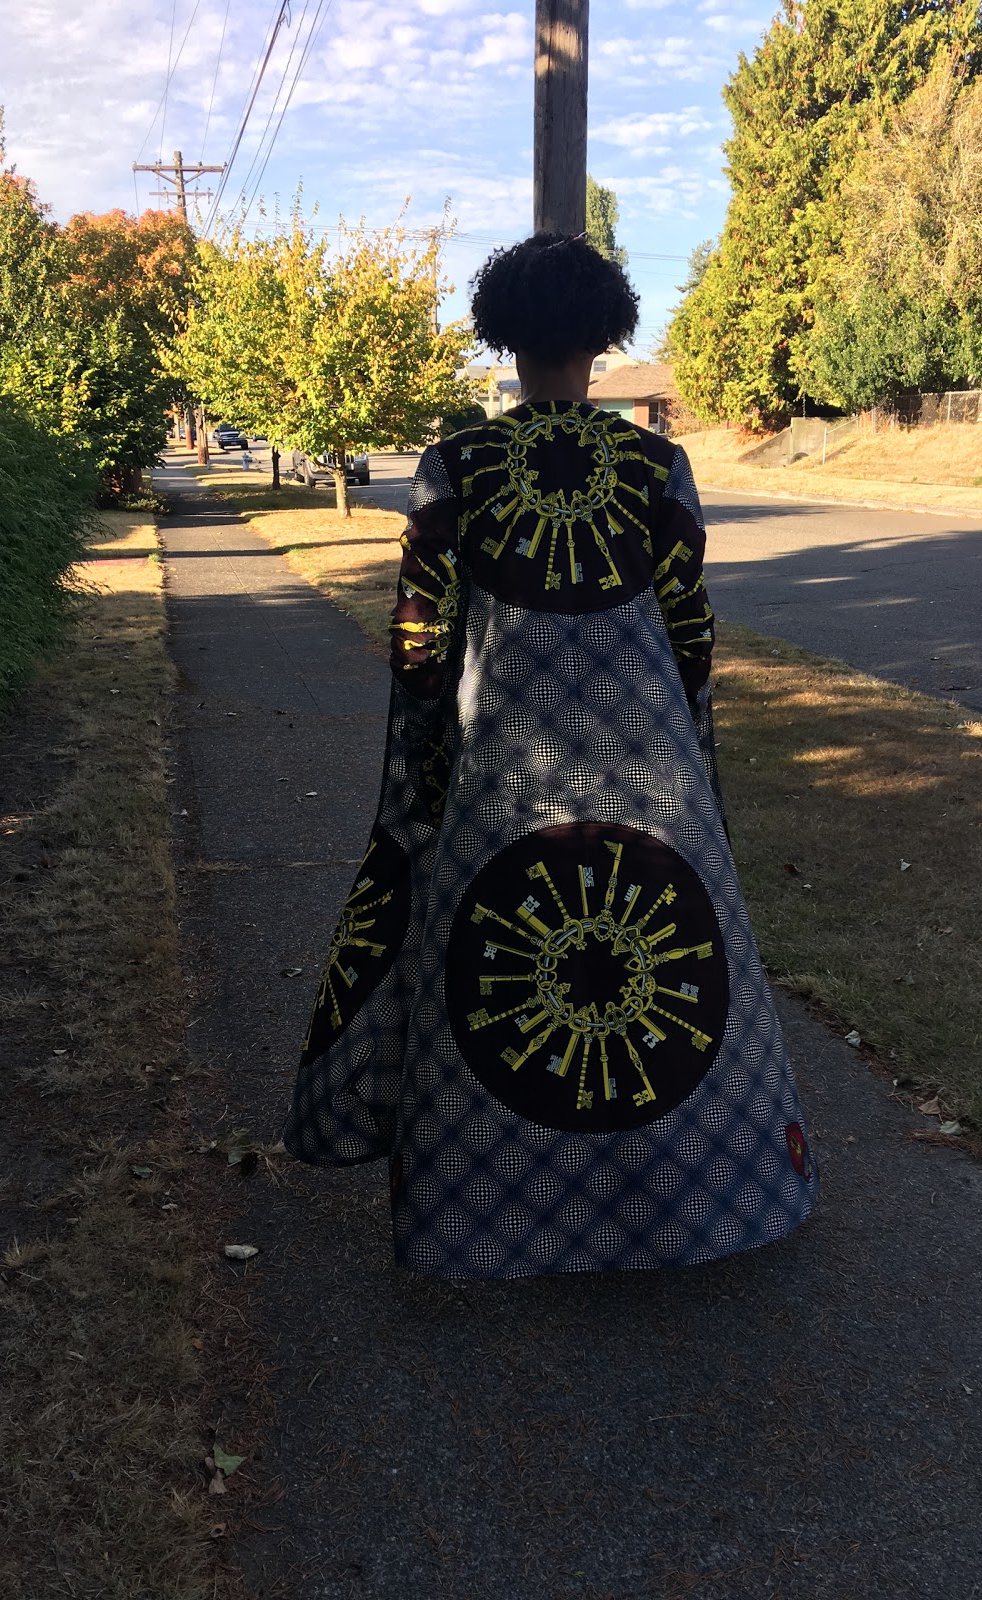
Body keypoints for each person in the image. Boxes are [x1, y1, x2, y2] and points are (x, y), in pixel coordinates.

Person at [283, 233, 818, 1279]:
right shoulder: (659, 466)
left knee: (499, 967)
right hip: (649, 763)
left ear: (506, 338)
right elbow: (691, 630)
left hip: (502, 764)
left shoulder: (455, 467)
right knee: (665, 961)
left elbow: (419, 640)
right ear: (605, 337)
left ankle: (482, 1215)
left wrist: (425, 766)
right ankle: (691, 1205)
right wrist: (689, 750)